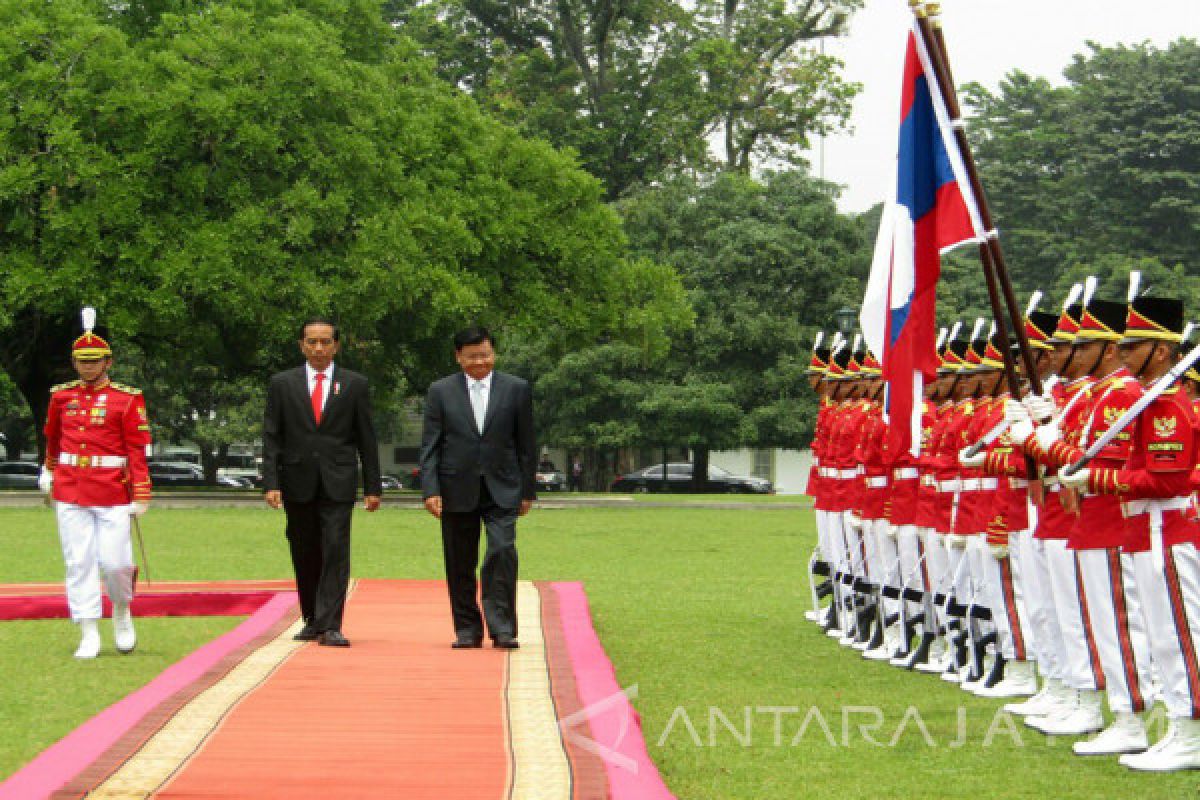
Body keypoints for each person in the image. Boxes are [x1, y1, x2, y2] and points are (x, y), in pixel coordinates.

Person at [262, 317, 382, 648]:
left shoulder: (354, 384)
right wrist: (270, 481)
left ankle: (331, 624)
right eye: (312, 342)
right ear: (302, 345)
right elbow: (272, 436)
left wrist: (373, 486)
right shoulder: (282, 384)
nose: (318, 348)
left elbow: (366, 438)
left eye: (325, 341)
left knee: (335, 549)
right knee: (304, 551)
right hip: (296, 479)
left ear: (336, 345)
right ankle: (312, 619)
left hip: (338, 481)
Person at [41, 307, 153, 659]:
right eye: (81, 361)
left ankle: (121, 611)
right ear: (74, 362)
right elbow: (53, 438)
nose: (87, 367)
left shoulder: (127, 398)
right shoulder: (61, 396)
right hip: (71, 487)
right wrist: (48, 469)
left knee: (115, 561)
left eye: (95, 360)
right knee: (78, 561)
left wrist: (141, 491)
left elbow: (137, 448)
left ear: (108, 362)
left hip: (111, 488)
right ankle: (87, 629)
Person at [420, 326, 536, 649]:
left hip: (504, 487)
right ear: (459, 357)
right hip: (456, 486)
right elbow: (431, 445)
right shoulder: (440, 392)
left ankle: (502, 628)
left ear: (494, 353)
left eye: (485, 355)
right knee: (459, 561)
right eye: (472, 357)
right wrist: (431, 490)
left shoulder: (516, 389)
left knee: (502, 551)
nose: (480, 362)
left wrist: (527, 490)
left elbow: (527, 444)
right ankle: (467, 629)